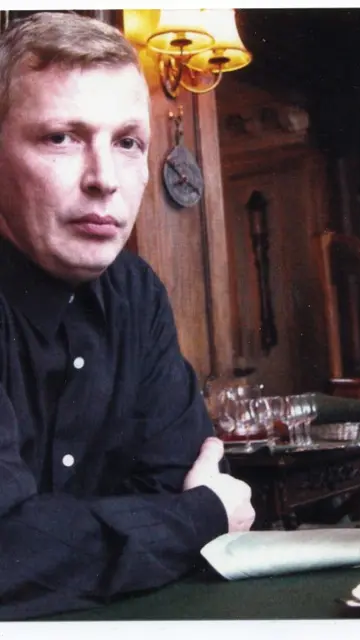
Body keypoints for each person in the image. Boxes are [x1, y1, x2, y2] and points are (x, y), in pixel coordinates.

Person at [0, 11, 255, 620]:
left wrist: (61, 541)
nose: (104, 180)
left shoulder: (135, 292)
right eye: (61, 137)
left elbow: (182, 473)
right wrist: (199, 516)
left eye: (127, 143)